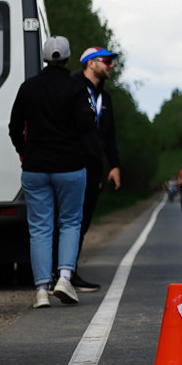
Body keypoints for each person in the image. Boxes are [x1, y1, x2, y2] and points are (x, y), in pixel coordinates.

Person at [8, 35, 95, 306]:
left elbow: (14, 126)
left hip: (35, 168)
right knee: (70, 222)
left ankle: (41, 291)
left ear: (45, 58)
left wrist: (25, 152)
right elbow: (87, 124)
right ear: (68, 58)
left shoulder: (28, 88)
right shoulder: (77, 88)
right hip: (70, 167)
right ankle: (65, 279)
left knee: (40, 228)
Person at [72, 47, 123, 291]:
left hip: (94, 164)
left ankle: (69, 271)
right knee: (66, 219)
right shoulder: (72, 87)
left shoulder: (106, 97)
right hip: (70, 161)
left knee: (82, 220)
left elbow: (110, 134)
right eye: (107, 62)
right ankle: (56, 273)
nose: (111, 66)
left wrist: (114, 164)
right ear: (90, 64)